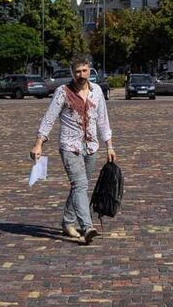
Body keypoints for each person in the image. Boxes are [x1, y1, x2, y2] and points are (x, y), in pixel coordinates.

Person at [30, 55, 116, 245]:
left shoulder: (97, 91)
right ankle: (87, 227)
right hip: (70, 147)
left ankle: (68, 222)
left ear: (89, 70)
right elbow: (49, 118)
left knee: (80, 186)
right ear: (72, 72)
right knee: (80, 185)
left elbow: (103, 120)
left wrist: (109, 145)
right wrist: (38, 143)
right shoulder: (63, 92)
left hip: (91, 146)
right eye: (77, 72)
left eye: (84, 71)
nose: (81, 75)